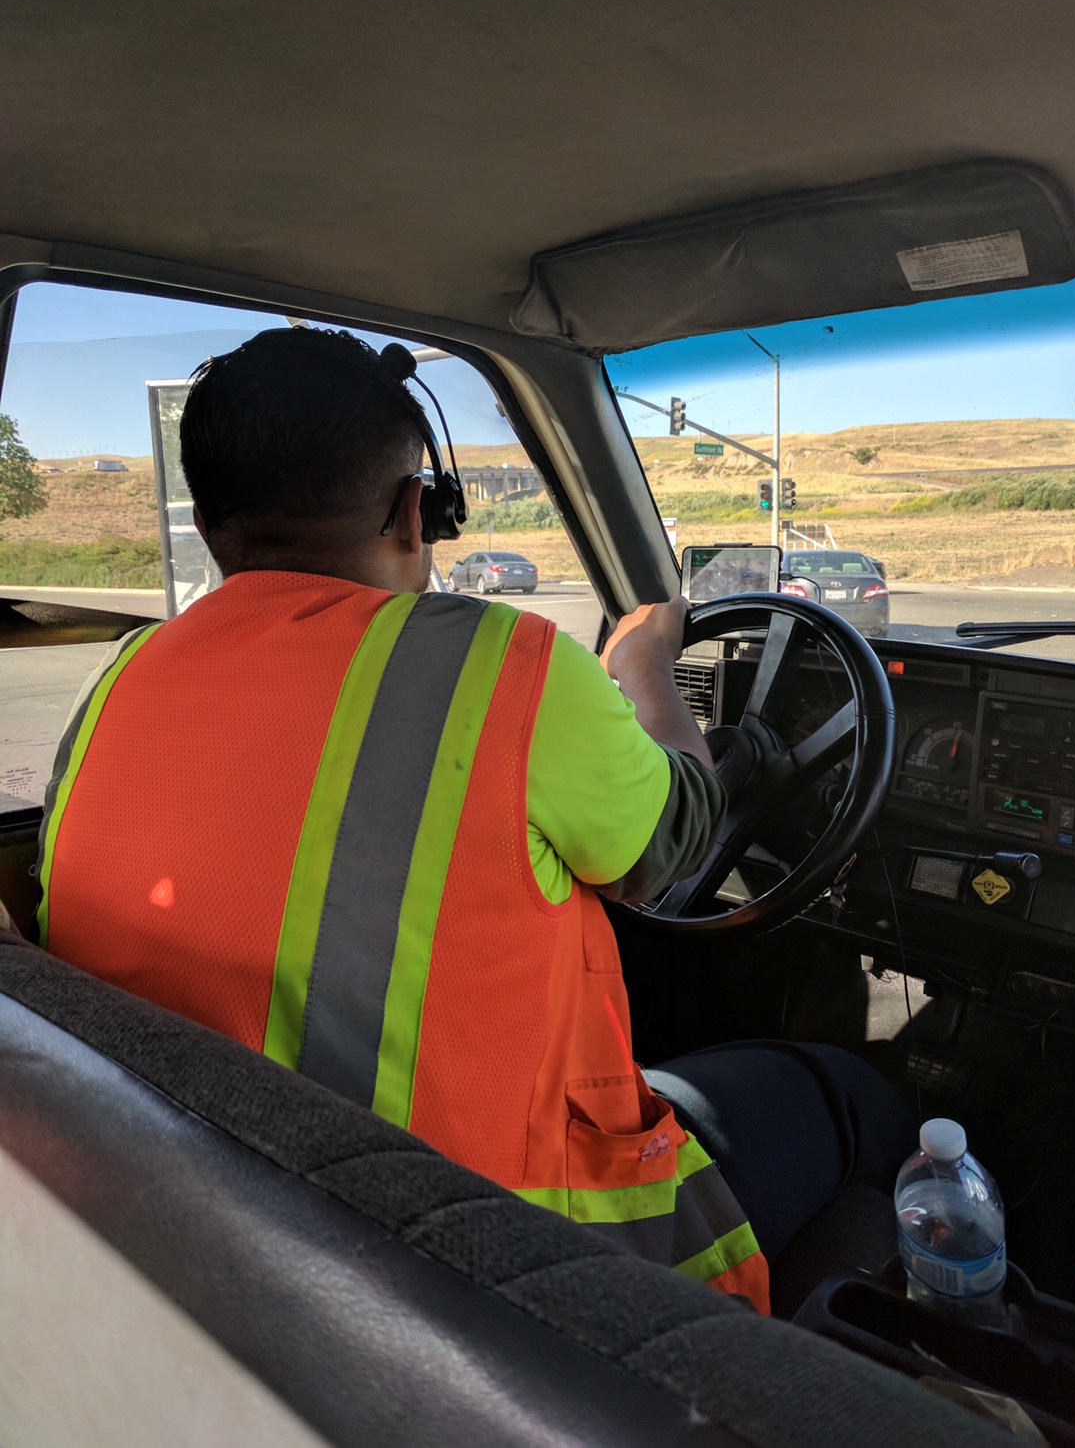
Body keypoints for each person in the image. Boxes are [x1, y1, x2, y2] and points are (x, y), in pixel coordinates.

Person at [35, 326, 912, 1314]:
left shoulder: (120, 683)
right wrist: (643, 669)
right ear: (417, 510)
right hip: (495, 1251)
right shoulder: (507, 666)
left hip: (194, 1205)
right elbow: (677, 838)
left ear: (206, 524)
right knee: (855, 1098)